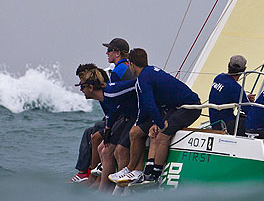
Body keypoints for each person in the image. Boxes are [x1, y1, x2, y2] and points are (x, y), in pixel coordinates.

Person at [108, 48, 202, 186]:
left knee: (162, 135)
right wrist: (152, 123)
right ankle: (134, 170)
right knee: (142, 131)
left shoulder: (143, 79)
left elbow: (148, 105)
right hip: (175, 107)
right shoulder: (148, 72)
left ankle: (154, 175)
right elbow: (149, 105)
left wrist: (160, 124)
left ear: (132, 64)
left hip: (190, 107)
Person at [69, 37, 134, 183]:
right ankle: (86, 172)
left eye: (109, 50)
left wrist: (109, 125)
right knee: (90, 132)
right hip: (121, 114)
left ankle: (92, 175)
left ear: (117, 53)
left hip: (124, 115)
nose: (106, 53)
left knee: (96, 137)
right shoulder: (123, 67)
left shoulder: (119, 71)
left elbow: (117, 99)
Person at [74, 63, 138, 191]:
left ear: (91, 87)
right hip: (127, 116)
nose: (81, 90)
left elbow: (139, 83)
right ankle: (100, 184)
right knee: (102, 147)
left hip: (137, 116)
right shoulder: (105, 97)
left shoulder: (111, 93)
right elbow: (112, 111)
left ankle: (109, 187)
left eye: (82, 86)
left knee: (113, 148)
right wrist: (108, 128)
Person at [208, 55, 255, 135]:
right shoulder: (236, 88)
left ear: (228, 65)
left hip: (214, 122)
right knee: (253, 123)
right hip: (226, 125)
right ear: (244, 70)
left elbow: (223, 96)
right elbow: (248, 111)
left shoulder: (218, 78)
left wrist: (244, 98)